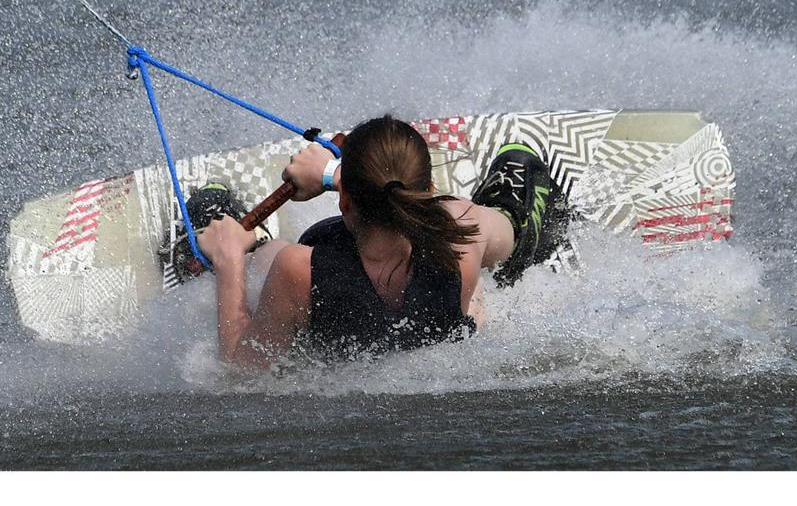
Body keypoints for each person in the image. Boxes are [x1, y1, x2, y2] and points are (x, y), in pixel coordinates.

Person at [195, 115, 562, 368]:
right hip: (442, 326)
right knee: (485, 224)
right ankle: (516, 215)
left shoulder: (297, 270)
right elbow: (411, 201)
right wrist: (329, 175)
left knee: (272, 255)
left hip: (332, 335)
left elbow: (240, 372)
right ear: (428, 191)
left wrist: (228, 260)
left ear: (343, 201)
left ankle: (248, 242)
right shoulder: (459, 232)